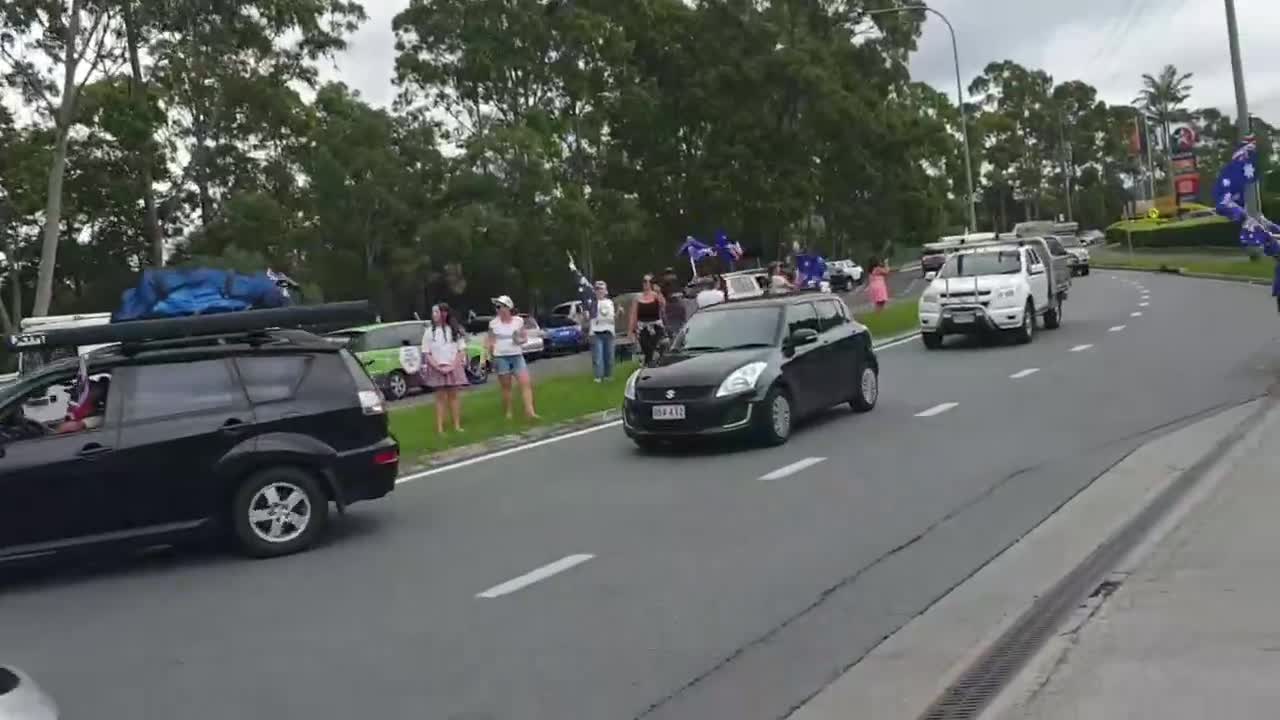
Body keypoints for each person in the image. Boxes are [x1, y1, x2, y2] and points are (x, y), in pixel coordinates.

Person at [487, 295, 539, 420]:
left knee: (525, 383)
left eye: (500, 307)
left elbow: (524, 337)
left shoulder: (518, 321)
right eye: (497, 307)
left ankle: (530, 411)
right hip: (501, 357)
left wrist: (519, 340)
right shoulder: (493, 323)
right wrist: (491, 357)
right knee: (506, 387)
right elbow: (490, 340)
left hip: (516, 355)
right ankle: (508, 412)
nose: (497, 309)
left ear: (508, 308)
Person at [568, 254, 617, 382]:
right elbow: (586, 317)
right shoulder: (592, 302)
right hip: (596, 332)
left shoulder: (610, 302)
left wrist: (620, 314)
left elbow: (613, 318)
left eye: (601, 289)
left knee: (609, 356)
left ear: (606, 291)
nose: (599, 291)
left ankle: (608, 376)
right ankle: (598, 377)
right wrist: (584, 315)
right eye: (597, 289)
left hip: (609, 332)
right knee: (598, 357)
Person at [421, 303, 468, 433]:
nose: (434, 315)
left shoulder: (453, 330)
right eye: (433, 312)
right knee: (440, 399)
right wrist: (437, 367)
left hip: (453, 367)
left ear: (444, 313)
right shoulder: (429, 332)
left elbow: (461, 350)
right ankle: (440, 428)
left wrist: (452, 366)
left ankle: (457, 425)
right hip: (437, 368)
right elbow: (427, 353)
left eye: (437, 312)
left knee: (454, 397)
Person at [628, 274, 666, 367]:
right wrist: (630, 330)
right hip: (643, 327)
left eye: (648, 281)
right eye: (644, 281)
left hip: (656, 326)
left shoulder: (656, 295)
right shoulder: (638, 298)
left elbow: (663, 305)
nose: (646, 284)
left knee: (654, 346)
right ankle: (649, 364)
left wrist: (659, 292)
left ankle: (651, 364)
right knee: (645, 346)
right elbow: (633, 314)